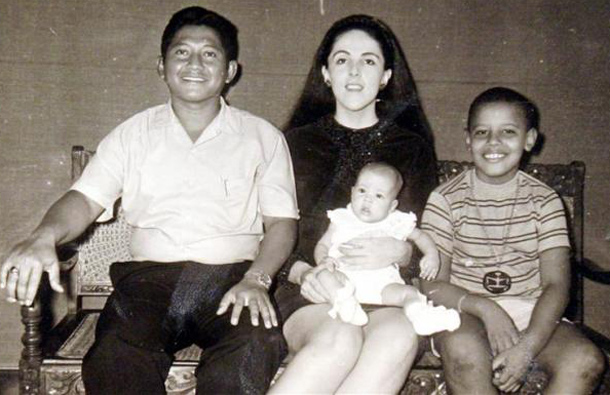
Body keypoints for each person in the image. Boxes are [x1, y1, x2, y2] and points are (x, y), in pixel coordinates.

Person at [0, 6, 298, 394]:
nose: (194, 63)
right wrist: (44, 235)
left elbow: (282, 222)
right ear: (161, 66)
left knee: (253, 347)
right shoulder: (132, 135)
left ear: (230, 70)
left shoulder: (263, 137)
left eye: (209, 53)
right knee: (116, 352)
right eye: (181, 52)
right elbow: (85, 199)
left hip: (234, 279)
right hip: (148, 283)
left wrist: (257, 278)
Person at [270, 14, 438, 394]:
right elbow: (270, 232)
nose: (354, 71)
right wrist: (302, 274)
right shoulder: (293, 144)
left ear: (386, 77)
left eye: (369, 60)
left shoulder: (411, 148)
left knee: (398, 336)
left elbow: (423, 235)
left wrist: (402, 252)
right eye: (342, 59)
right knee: (341, 337)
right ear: (326, 73)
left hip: (385, 291)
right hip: (309, 289)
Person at [421, 87, 605, 393]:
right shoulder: (445, 200)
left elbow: (557, 285)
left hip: (530, 311)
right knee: (465, 354)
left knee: (585, 360)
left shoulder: (545, 201)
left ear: (529, 139)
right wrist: (485, 308)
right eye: (482, 132)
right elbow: (431, 284)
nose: (493, 142)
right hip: (465, 310)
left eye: (508, 131)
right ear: (468, 139)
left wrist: (526, 348)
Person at [313, 162, 460, 335]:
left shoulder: (395, 221)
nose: (368, 199)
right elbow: (322, 245)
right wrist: (323, 259)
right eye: (362, 191)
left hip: (383, 285)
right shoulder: (341, 218)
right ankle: (345, 305)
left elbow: (420, 236)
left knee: (409, 293)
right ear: (352, 192)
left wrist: (431, 254)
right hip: (343, 279)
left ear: (392, 206)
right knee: (322, 274)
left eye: (379, 196)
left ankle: (420, 315)